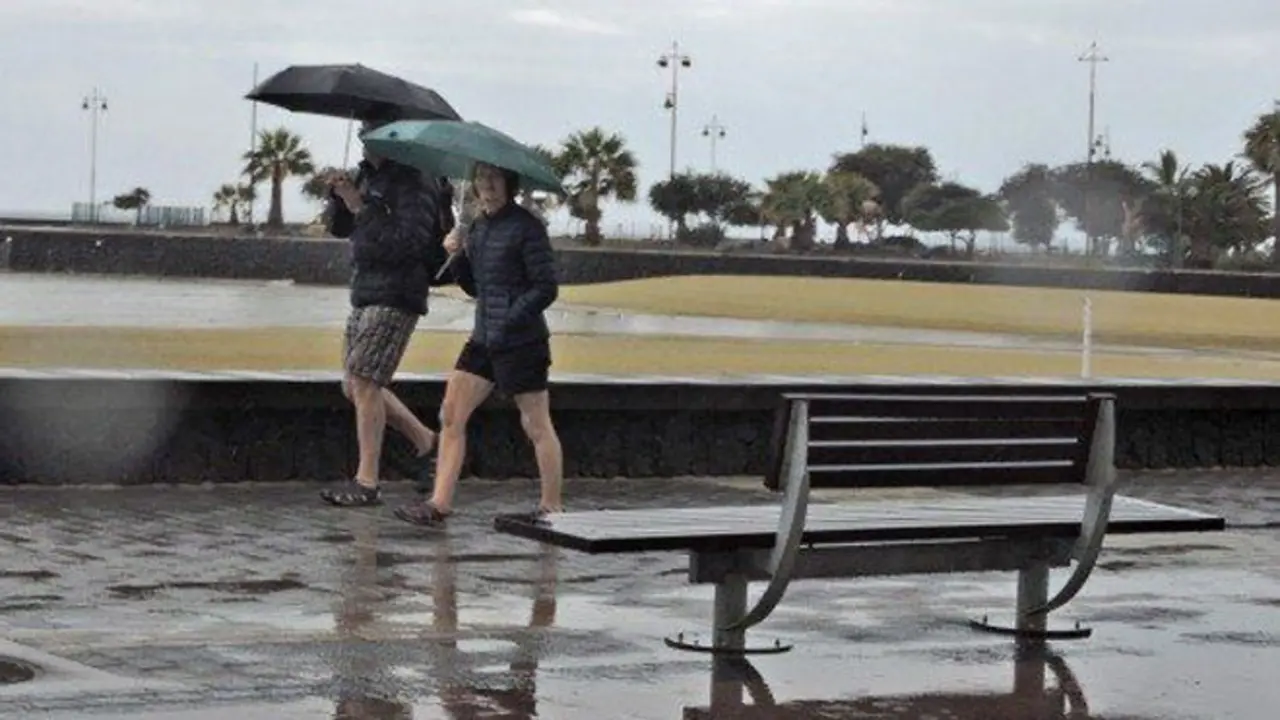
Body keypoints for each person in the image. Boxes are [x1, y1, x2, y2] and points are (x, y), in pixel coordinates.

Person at [394, 161, 563, 527]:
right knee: (450, 415)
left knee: (536, 424)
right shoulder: (478, 227)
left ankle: (552, 507)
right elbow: (474, 287)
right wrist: (456, 256)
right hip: (483, 339)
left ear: (509, 183)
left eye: (495, 178)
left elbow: (546, 288)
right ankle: (438, 503)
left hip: (522, 342)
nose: (487, 184)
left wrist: (510, 318)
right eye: (482, 178)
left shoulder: (528, 228)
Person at [319, 115, 453, 508]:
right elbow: (342, 230)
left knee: (363, 379)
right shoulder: (365, 174)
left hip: (398, 291)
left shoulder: (417, 180)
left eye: (373, 131)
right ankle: (427, 443)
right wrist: (340, 198)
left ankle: (367, 482)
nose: (364, 138)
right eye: (362, 131)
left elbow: (408, 243)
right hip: (365, 288)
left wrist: (362, 207)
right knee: (355, 385)